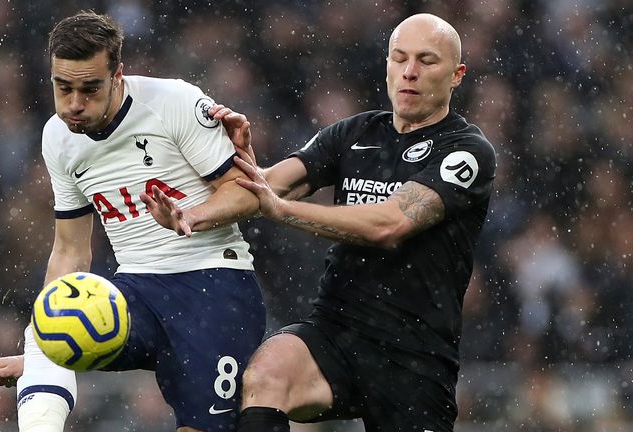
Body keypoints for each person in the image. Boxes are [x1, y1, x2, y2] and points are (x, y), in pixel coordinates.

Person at [0, 11, 267, 432]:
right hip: (134, 290)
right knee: (51, 323)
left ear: (118, 75)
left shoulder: (174, 102)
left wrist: (190, 215)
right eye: (64, 88)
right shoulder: (57, 138)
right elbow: (70, 249)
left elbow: (248, 191)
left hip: (213, 286)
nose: (75, 104)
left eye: (90, 88)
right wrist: (42, 343)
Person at [211, 13, 496, 432]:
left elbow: (390, 225)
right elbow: (268, 184)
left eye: (426, 61)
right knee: (267, 373)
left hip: (414, 355)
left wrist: (282, 209)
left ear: (457, 75)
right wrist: (199, 199)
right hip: (336, 330)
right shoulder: (356, 131)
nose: (410, 72)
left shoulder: (467, 151)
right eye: (399, 58)